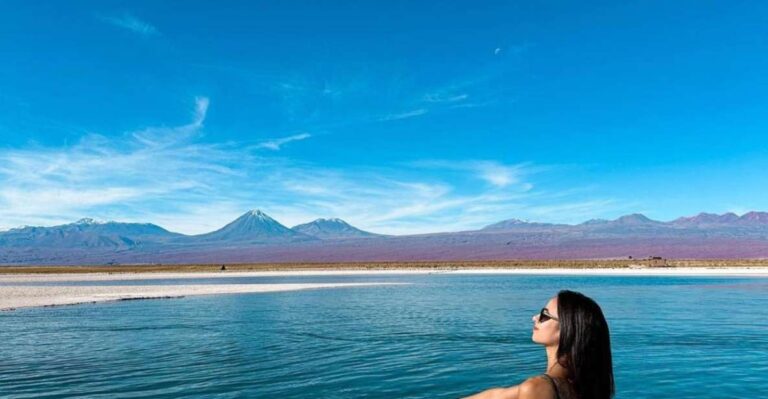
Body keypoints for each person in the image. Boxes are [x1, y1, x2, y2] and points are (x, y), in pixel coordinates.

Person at [464, 290, 614, 399]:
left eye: (544, 315)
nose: (535, 317)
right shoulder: (584, 385)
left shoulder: (538, 387)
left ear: (567, 329)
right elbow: (496, 395)